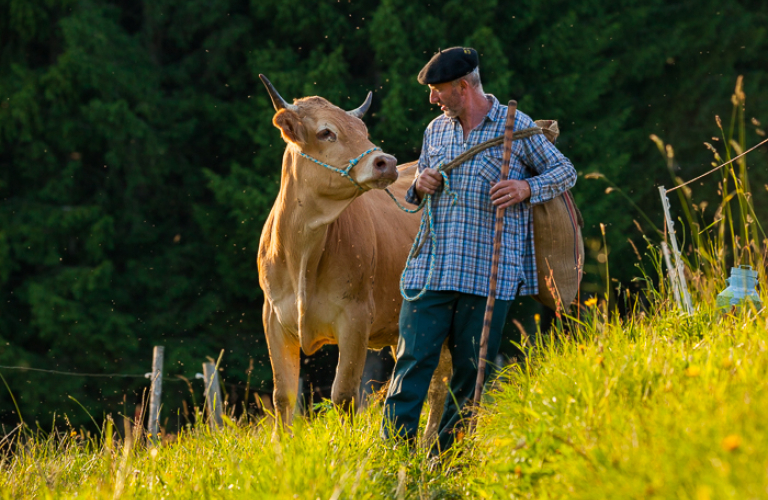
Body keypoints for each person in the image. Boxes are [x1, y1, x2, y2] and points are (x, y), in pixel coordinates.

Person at [381, 47, 577, 454]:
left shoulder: (515, 128)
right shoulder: (436, 130)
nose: (432, 99)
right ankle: (393, 460)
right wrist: (420, 184)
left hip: (489, 275)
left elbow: (565, 171)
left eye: (438, 90)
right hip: (432, 269)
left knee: (470, 374)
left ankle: (449, 461)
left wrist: (527, 187)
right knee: (412, 362)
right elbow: (415, 192)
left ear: (463, 87)